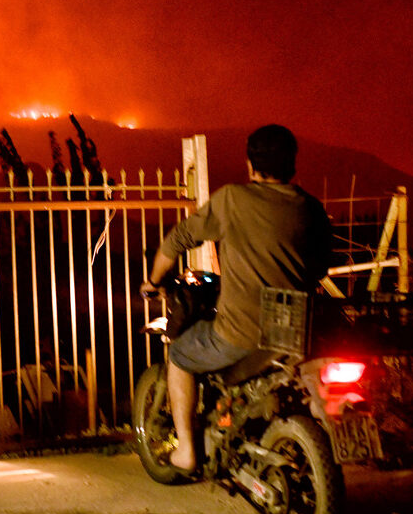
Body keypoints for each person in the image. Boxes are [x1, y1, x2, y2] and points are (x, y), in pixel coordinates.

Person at [139, 124, 332, 474]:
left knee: (181, 354)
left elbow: (177, 240)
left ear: (250, 165)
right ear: (292, 164)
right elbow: (320, 267)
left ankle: (186, 451)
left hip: (242, 334)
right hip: (295, 332)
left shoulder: (233, 199)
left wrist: (153, 281)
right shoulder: (311, 208)